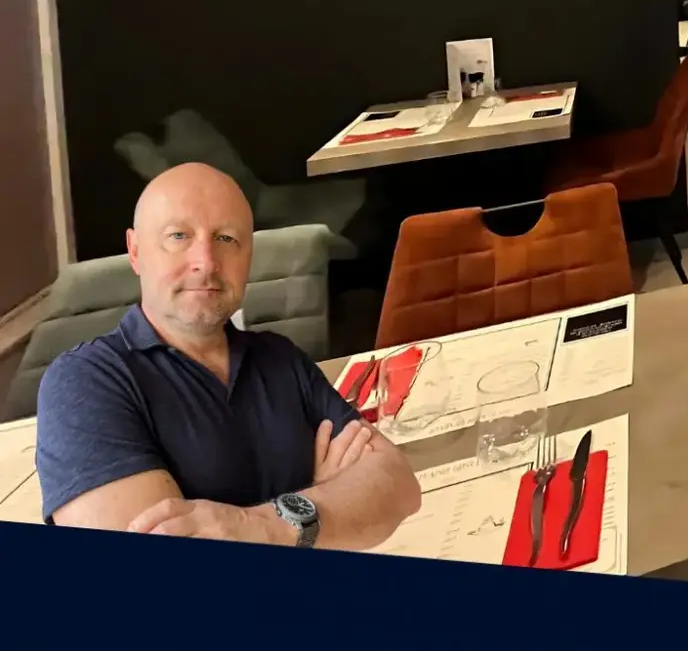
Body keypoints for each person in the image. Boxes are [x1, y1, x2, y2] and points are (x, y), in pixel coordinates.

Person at [35, 163, 421, 548]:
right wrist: (327, 508)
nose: (206, 261)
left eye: (226, 238)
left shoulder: (281, 359)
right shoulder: (85, 382)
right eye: (178, 236)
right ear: (134, 251)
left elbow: (398, 485)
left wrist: (265, 526)